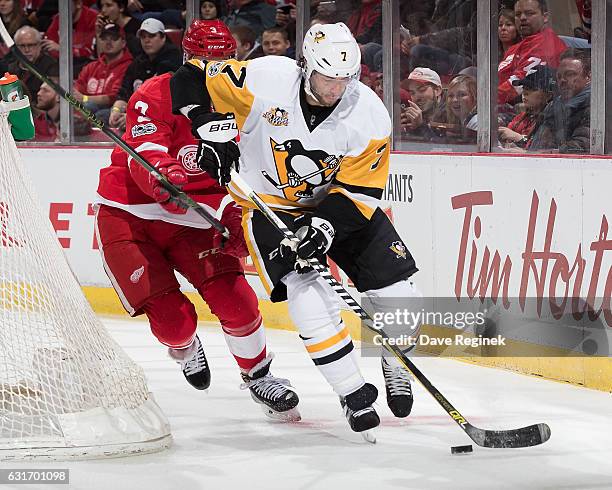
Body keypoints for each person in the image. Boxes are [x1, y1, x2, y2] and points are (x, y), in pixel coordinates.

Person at [170, 22, 419, 438]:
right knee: (307, 296)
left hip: (342, 207)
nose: (335, 89)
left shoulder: (370, 115)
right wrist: (204, 125)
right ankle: (352, 392)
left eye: (345, 79)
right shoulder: (267, 77)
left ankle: (396, 360)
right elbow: (191, 75)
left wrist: (322, 228)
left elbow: (360, 193)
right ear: (306, 66)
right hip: (271, 206)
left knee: (403, 304)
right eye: (326, 77)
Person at [94, 20, 300, 421]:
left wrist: (237, 218)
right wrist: (163, 174)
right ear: (188, 57)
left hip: (197, 216)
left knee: (238, 303)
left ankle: (258, 375)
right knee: (173, 322)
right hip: (132, 214)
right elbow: (147, 148)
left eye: (224, 59)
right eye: (206, 59)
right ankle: (185, 347)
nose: (215, 67)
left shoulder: (243, 102)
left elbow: (249, 171)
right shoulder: (156, 92)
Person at [108, 18, 182, 132]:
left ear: (163, 37)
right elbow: (124, 93)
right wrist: (116, 110)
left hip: (164, 121)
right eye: (143, 37)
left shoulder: (173, 63)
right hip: (138, 115)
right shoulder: (137, 63)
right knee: (104, 115)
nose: (146, 40)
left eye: (151, 36)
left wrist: (132, 117)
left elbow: (165, 103)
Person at [497, 0, 567, 105]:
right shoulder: (515, 47)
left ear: (545, 17)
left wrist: (484, 100)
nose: (522, 18)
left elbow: (517, 87)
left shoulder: (547, 44)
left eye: (529, 13)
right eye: (518, 14)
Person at [530, 49, 591, 153]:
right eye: (559, 76)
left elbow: (581, 147)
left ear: (589, 76)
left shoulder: (597, 107)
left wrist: (539, 153)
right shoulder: (554, 106)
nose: (562, 80)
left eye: (570, 74)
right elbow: (541, 142)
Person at [74, 23, 133, 122]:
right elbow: (77, 90)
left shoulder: (129, 66)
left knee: (94, 111)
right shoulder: (91, 67)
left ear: (123, 43)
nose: (108, 42)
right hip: (90, 108)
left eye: (114, 38)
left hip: (115, 109)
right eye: (104, 38)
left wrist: (85, 98)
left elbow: (114, 97)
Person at [498, 64, 555, 150]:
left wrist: (518, 138)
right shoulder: (522, 117)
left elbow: (542, 148)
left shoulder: (552, 120)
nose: (525, 93)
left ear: (548, 95)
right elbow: (508, 133)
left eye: (532, 89)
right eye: (524, 88)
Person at [43, 0, 98, 74]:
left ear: (78, 4)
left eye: (66, 5)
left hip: (86, 66)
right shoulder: (59, 18)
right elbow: (49, 43)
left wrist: (62, 49)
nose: (62, 9)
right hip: (63, 65)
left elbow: (89, 52)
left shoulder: (93, 18)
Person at [8, 26, 59, 103]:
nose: (27, 50)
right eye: (22, 46)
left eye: (31, 45)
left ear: (40, 45)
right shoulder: (9, 67)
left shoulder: (51, 66)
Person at [401, 67, 445, 140]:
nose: (417, 97)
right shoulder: (410, 116)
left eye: (422, 90)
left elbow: (443, 148)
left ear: (437, 90)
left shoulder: (451, 112)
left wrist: (420, 127)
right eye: (412, 93)